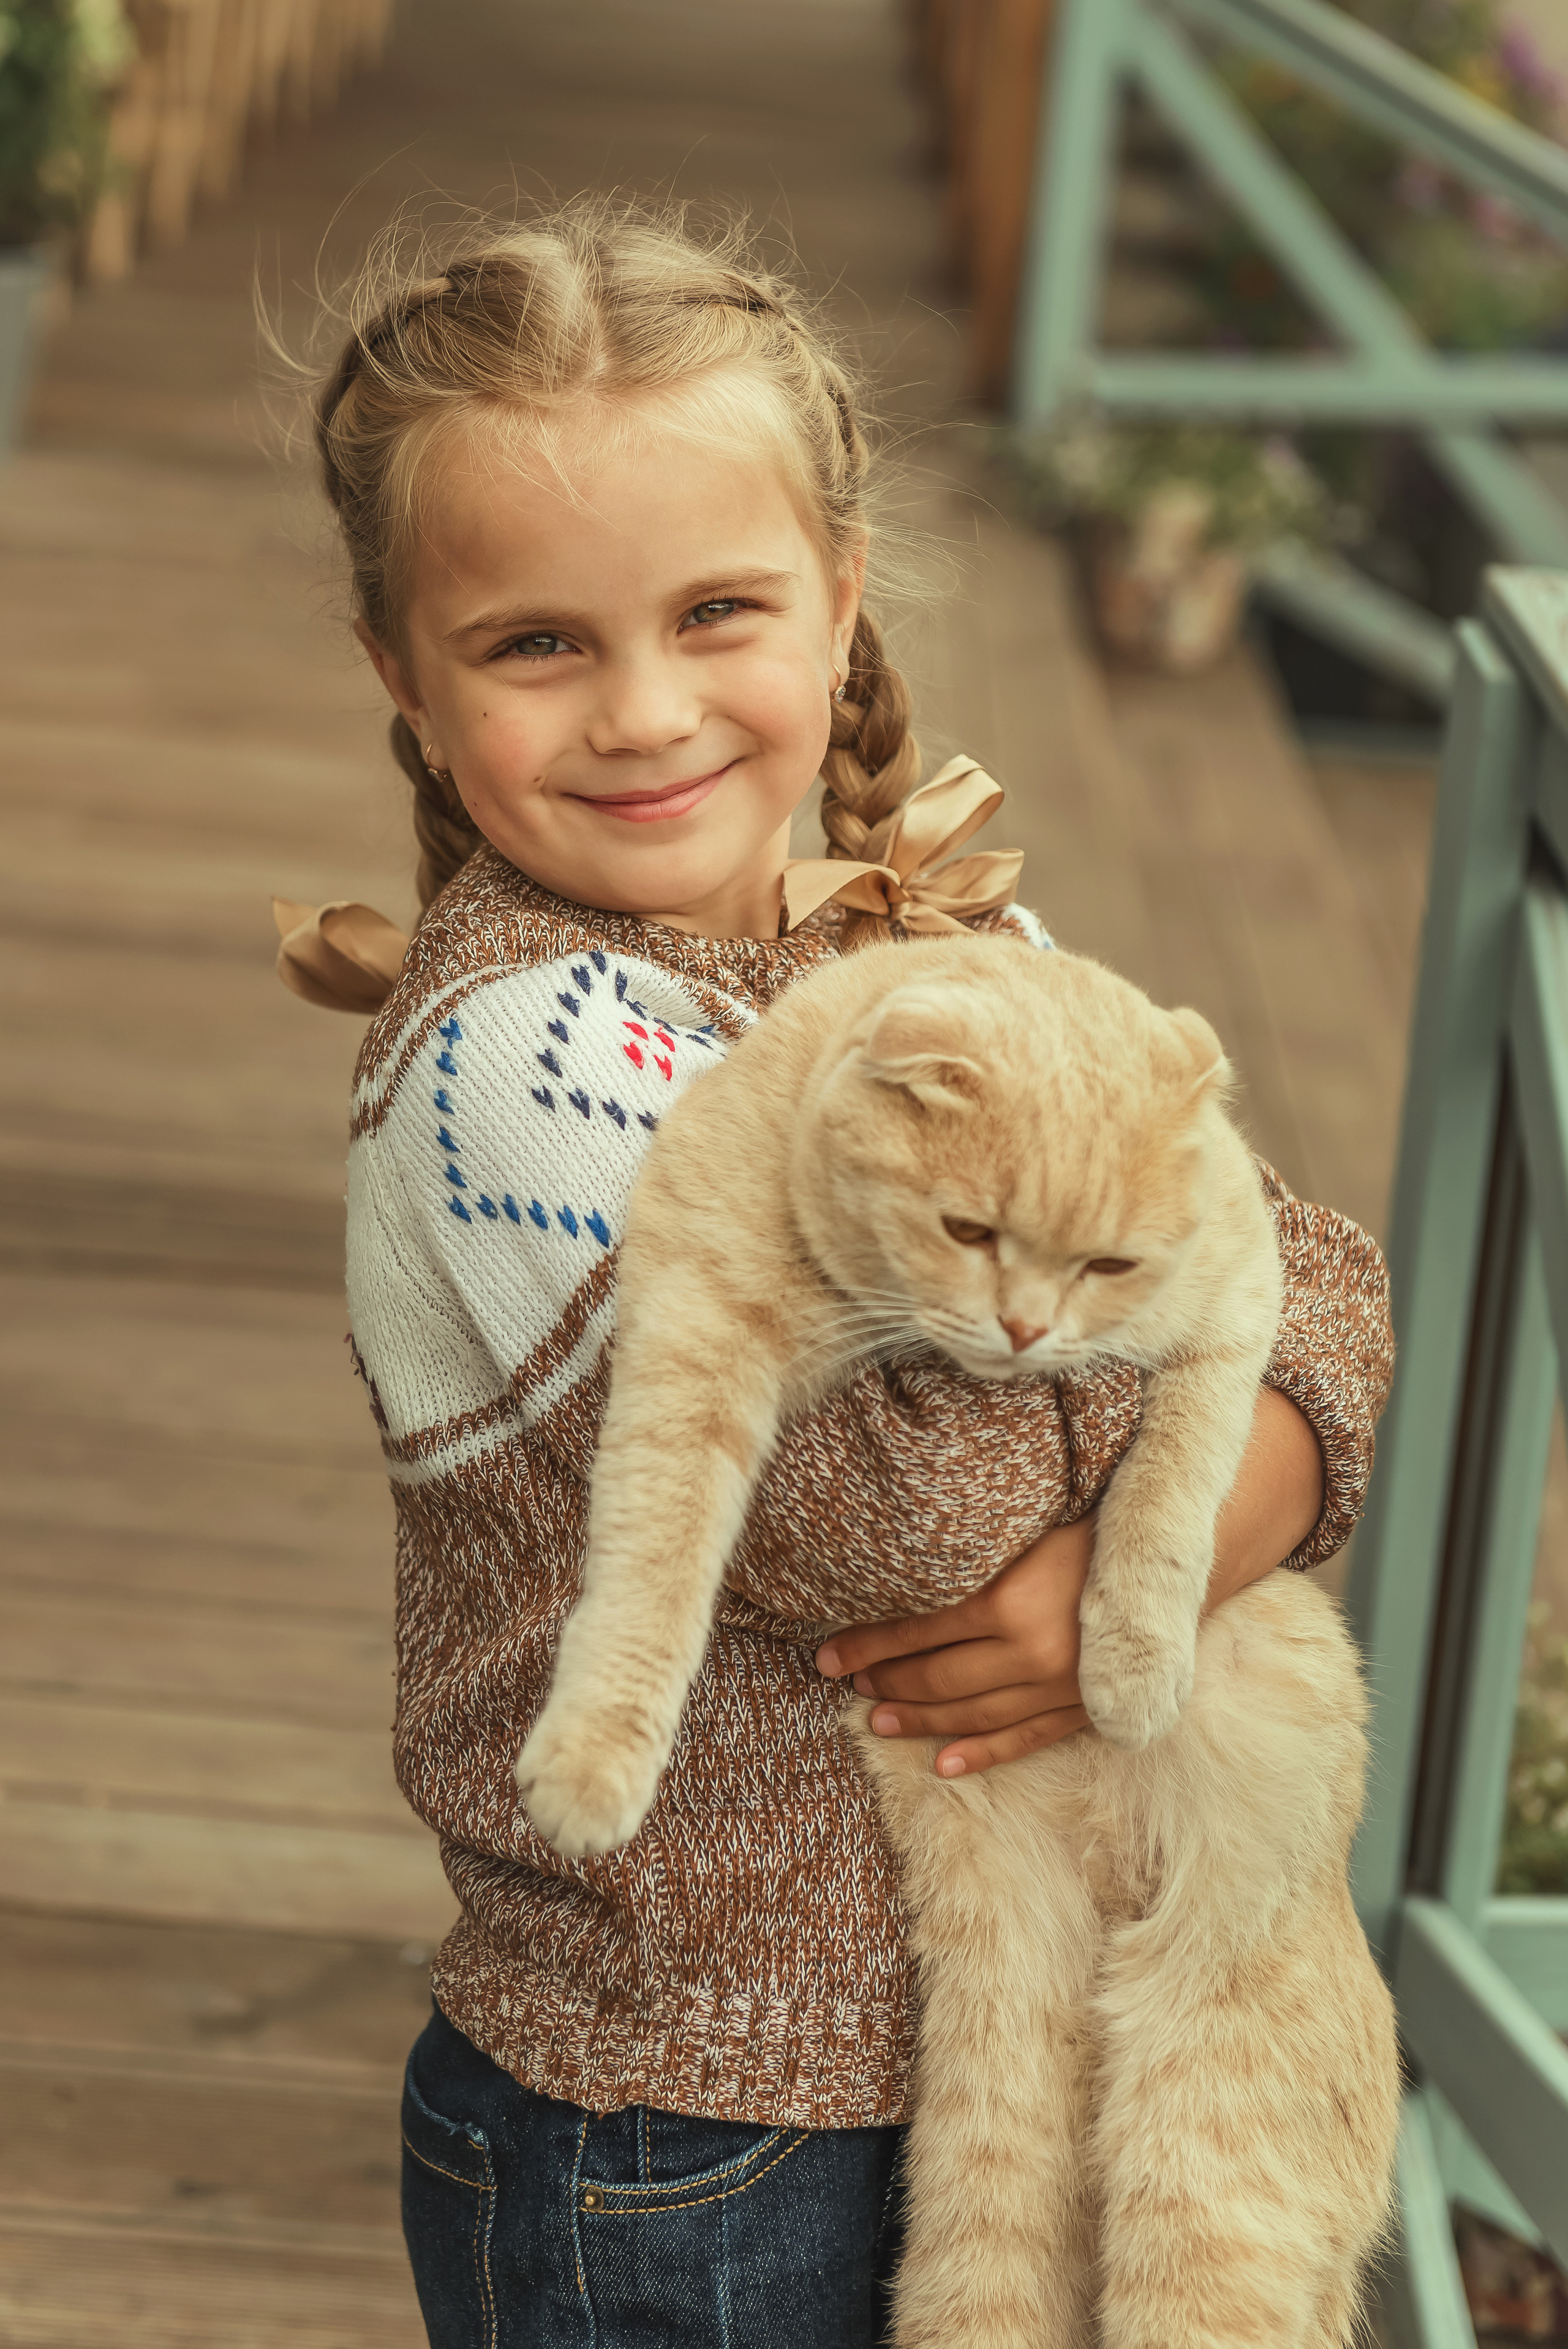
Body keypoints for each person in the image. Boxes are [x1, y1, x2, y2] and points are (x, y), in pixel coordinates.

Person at [285, 199, 1392, 2349]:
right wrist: (1193, 1424)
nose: (646, 710)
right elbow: (907, 1513)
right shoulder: (518, 1061)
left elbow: (1289, 1262)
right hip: (684, 2126)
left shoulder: (912, 947)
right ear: (405, 687)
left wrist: (1221, 1480)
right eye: (535, 644)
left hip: (979, 2048)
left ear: (844, 605)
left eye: (721, 611)